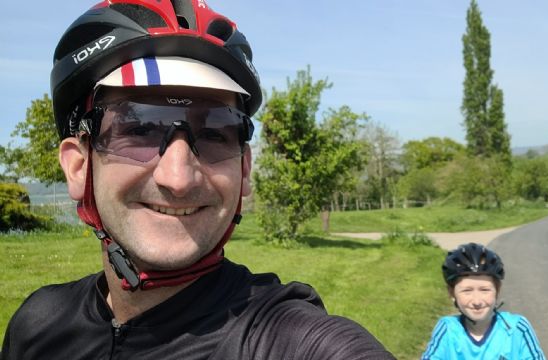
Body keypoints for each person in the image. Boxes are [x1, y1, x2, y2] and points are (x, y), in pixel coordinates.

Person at [0, 1, 394, 359]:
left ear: (243, 170)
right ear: (78, 166)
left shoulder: (288, 341)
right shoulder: (37, 327)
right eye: (138, 128)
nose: (179, 177)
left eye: (215, 132)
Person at [422, 243, 546, 360]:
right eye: (467, 291)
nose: (477, 301)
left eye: (485, 290)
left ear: (497, 290)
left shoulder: (517, 328)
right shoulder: (447, 329)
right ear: (451, 293)